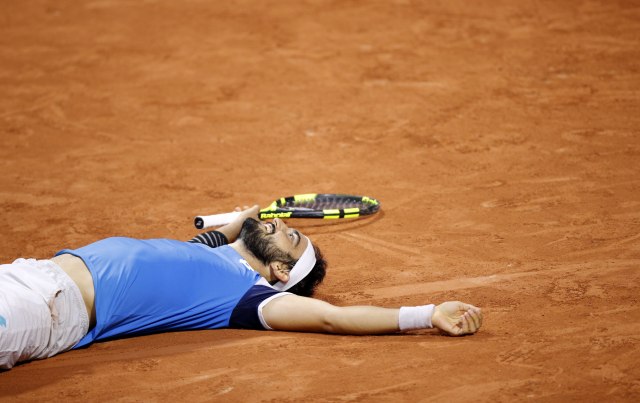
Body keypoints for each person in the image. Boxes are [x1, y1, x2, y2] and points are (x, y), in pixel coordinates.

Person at [0, 206, 482, 370]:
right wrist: (244, 221)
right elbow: (218, 236)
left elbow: (332, 317)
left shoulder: (248, 296)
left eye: (290, 236)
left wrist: (426, 313)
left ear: (279, 271)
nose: (280, 224)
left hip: (45, 308)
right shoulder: (209, 252)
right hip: (27, 273)